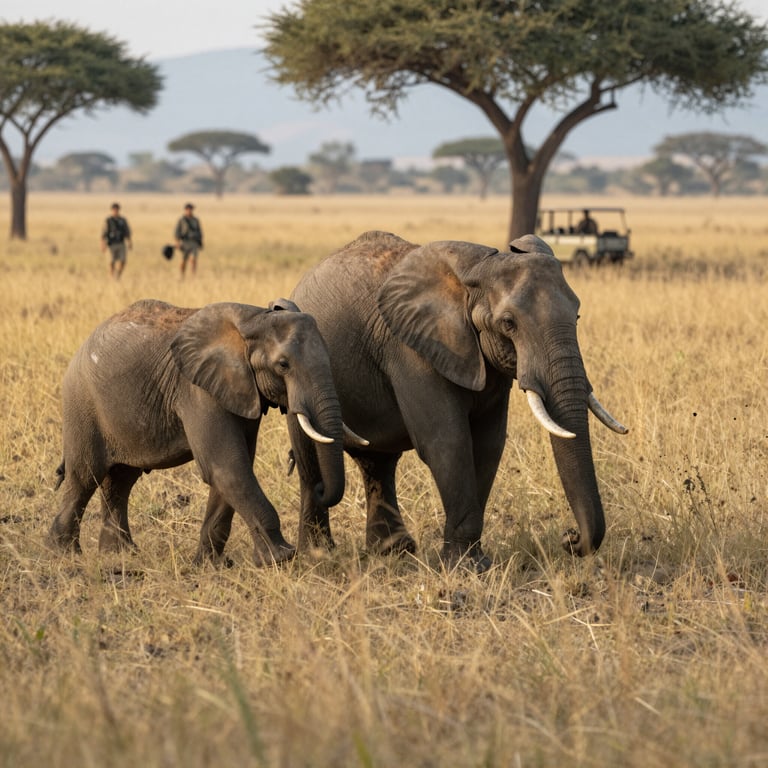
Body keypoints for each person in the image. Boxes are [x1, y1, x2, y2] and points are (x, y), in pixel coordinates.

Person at [101, 202, 132, 279]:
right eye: (114, 209)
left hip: (121, 243)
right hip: (111, 244)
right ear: (112, 210)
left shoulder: (122, 220)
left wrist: (129, 242)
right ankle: (112, 277)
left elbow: (127, 232)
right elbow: (103, 234)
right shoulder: (108, 221)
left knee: (123, 260)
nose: (115, 211)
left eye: (117, 209)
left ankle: (118, 275)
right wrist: (103, 244)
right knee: (111, 262)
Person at [174, 202, 203, 277]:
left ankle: (193, 276)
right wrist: (177, 242)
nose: (190, 211)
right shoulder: (182, 220)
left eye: (191, 209)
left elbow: (199, 231)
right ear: (186, 210)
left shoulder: (196, 220)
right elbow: (177, 232)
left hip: (194, 243)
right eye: (188, 209)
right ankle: (182, 275)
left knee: (193, 260)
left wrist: (200, 242)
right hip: (185, 243)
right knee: (183, 261)